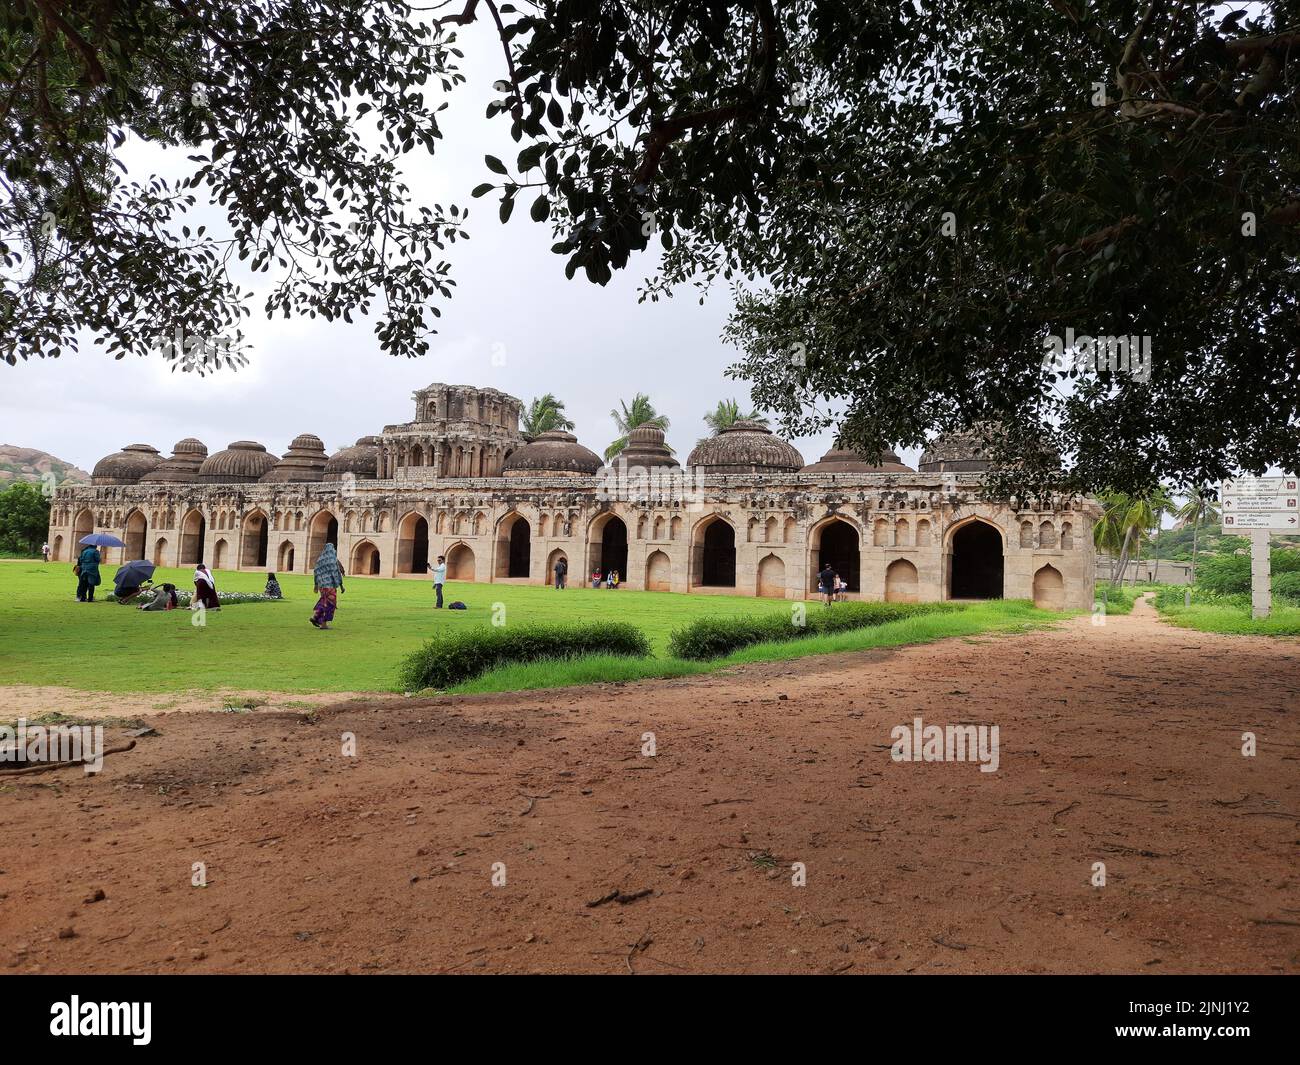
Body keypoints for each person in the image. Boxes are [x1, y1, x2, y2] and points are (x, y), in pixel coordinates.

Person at [310, 542, 345, 629]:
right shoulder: (333, 560)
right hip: (330, 587)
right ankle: (323, 624)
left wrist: (316, 585)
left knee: (323, 601)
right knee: (329, 605)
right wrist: (341, 586)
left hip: (322, 587)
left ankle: (315, 617)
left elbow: (316, 572)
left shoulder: (320, 560)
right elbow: (336, 573)